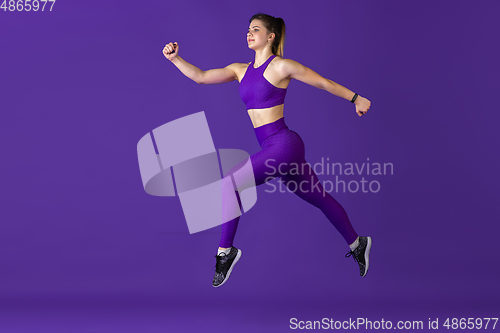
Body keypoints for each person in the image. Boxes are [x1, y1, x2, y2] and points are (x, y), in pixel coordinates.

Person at [163, 13, 372, 288]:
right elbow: (201, 77)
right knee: (319, 198)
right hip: (276, 147)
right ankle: (358, 243)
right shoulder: (240, 69)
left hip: (284, 144)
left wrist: (356, 99)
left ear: (270, 36)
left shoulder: (281, 66)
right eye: (248, 29)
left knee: (231, 183)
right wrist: (176, 59)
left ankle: (225, 253)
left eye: (255, 30)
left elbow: (323, 82)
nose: (249, 33)